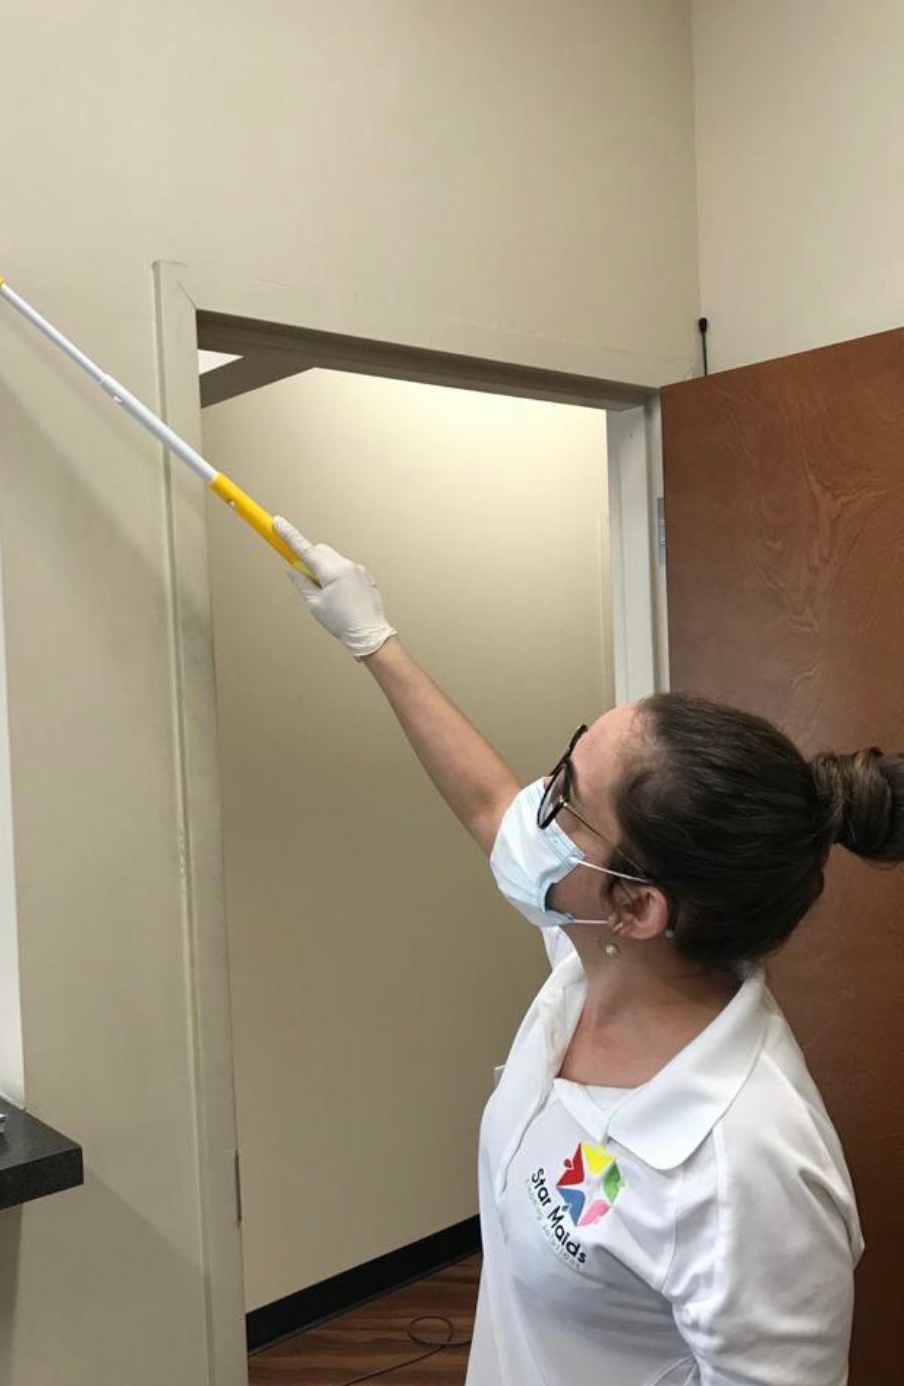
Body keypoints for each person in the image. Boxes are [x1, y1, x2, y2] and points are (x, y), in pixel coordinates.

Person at [274, 519, 897, 1386]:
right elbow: (489, 804)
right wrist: (372, 639)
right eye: (563, 762)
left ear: (635, 906)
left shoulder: (745, 1167)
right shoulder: (587, 969)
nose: (535, 803)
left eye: (565, 799)